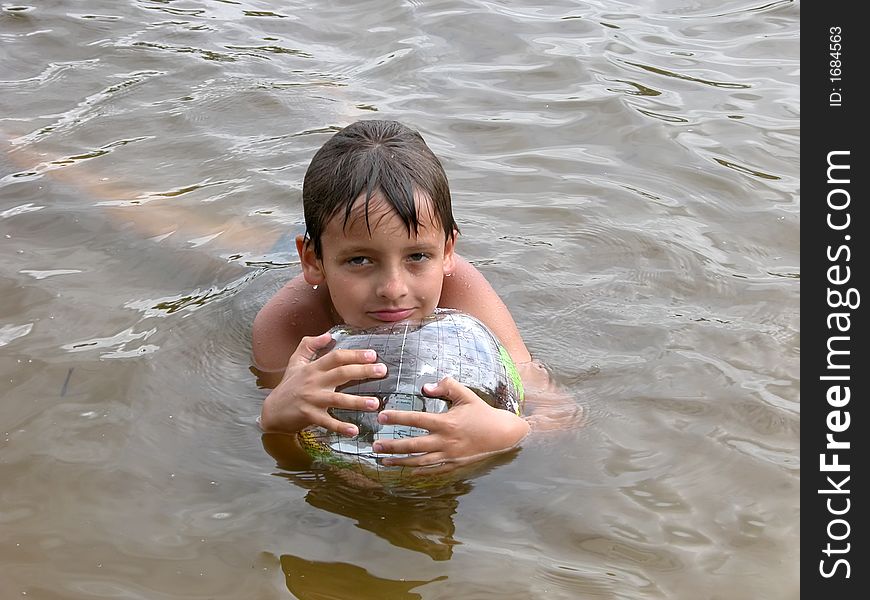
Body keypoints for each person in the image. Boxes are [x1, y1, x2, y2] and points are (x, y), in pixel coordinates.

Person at [253, 119, 559, 474]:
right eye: (360, 260)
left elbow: (554, 408)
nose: (393, 288)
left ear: (447, 252)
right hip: (276, 255)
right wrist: (273, 419)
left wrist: (511, 433)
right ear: (312, 261)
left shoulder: (460, 286)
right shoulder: (286, 323)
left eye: (417, 256)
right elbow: (294, 442)